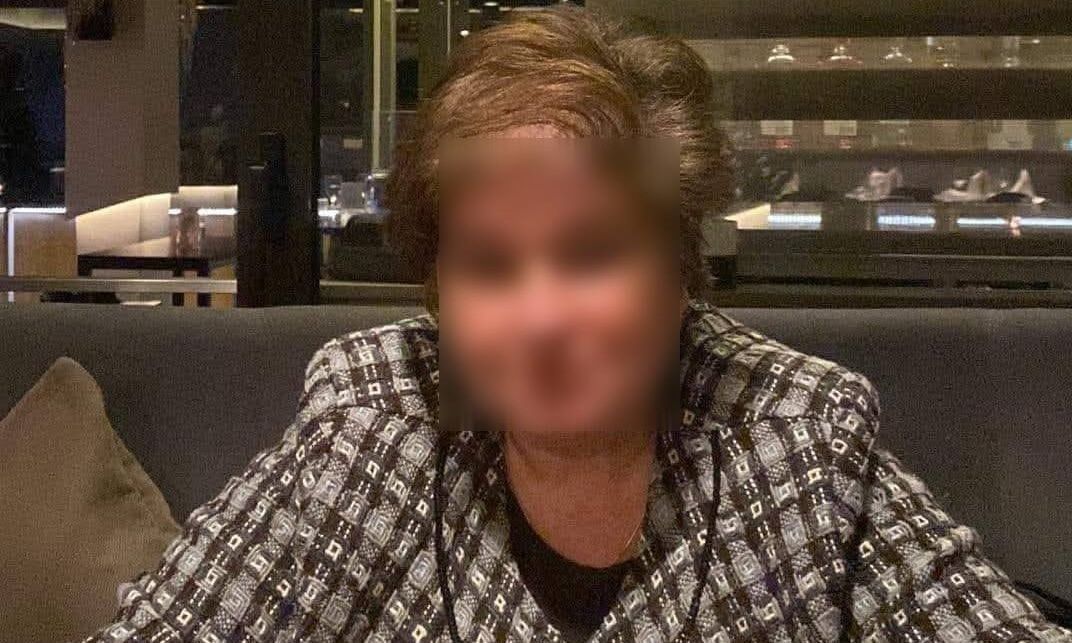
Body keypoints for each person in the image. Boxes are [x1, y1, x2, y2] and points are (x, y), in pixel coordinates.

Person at [85, 7, 1071, 642]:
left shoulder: (796, 437)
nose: (540, 316)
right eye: (489, 265)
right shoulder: (370, 418)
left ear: (678, 270)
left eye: (593, 253)